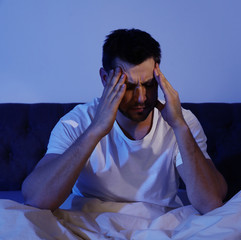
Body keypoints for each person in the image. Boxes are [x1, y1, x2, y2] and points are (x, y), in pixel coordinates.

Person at [21, 28, 228, 214]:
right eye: (128, 87)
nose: (141, 98)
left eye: (149, 85)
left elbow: (210, 202)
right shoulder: (77, 122)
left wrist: (179, 127)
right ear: (105, 79)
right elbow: (36, 198)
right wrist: (96, 130)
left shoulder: (181, 120)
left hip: (162, 228)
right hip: (90, 225)